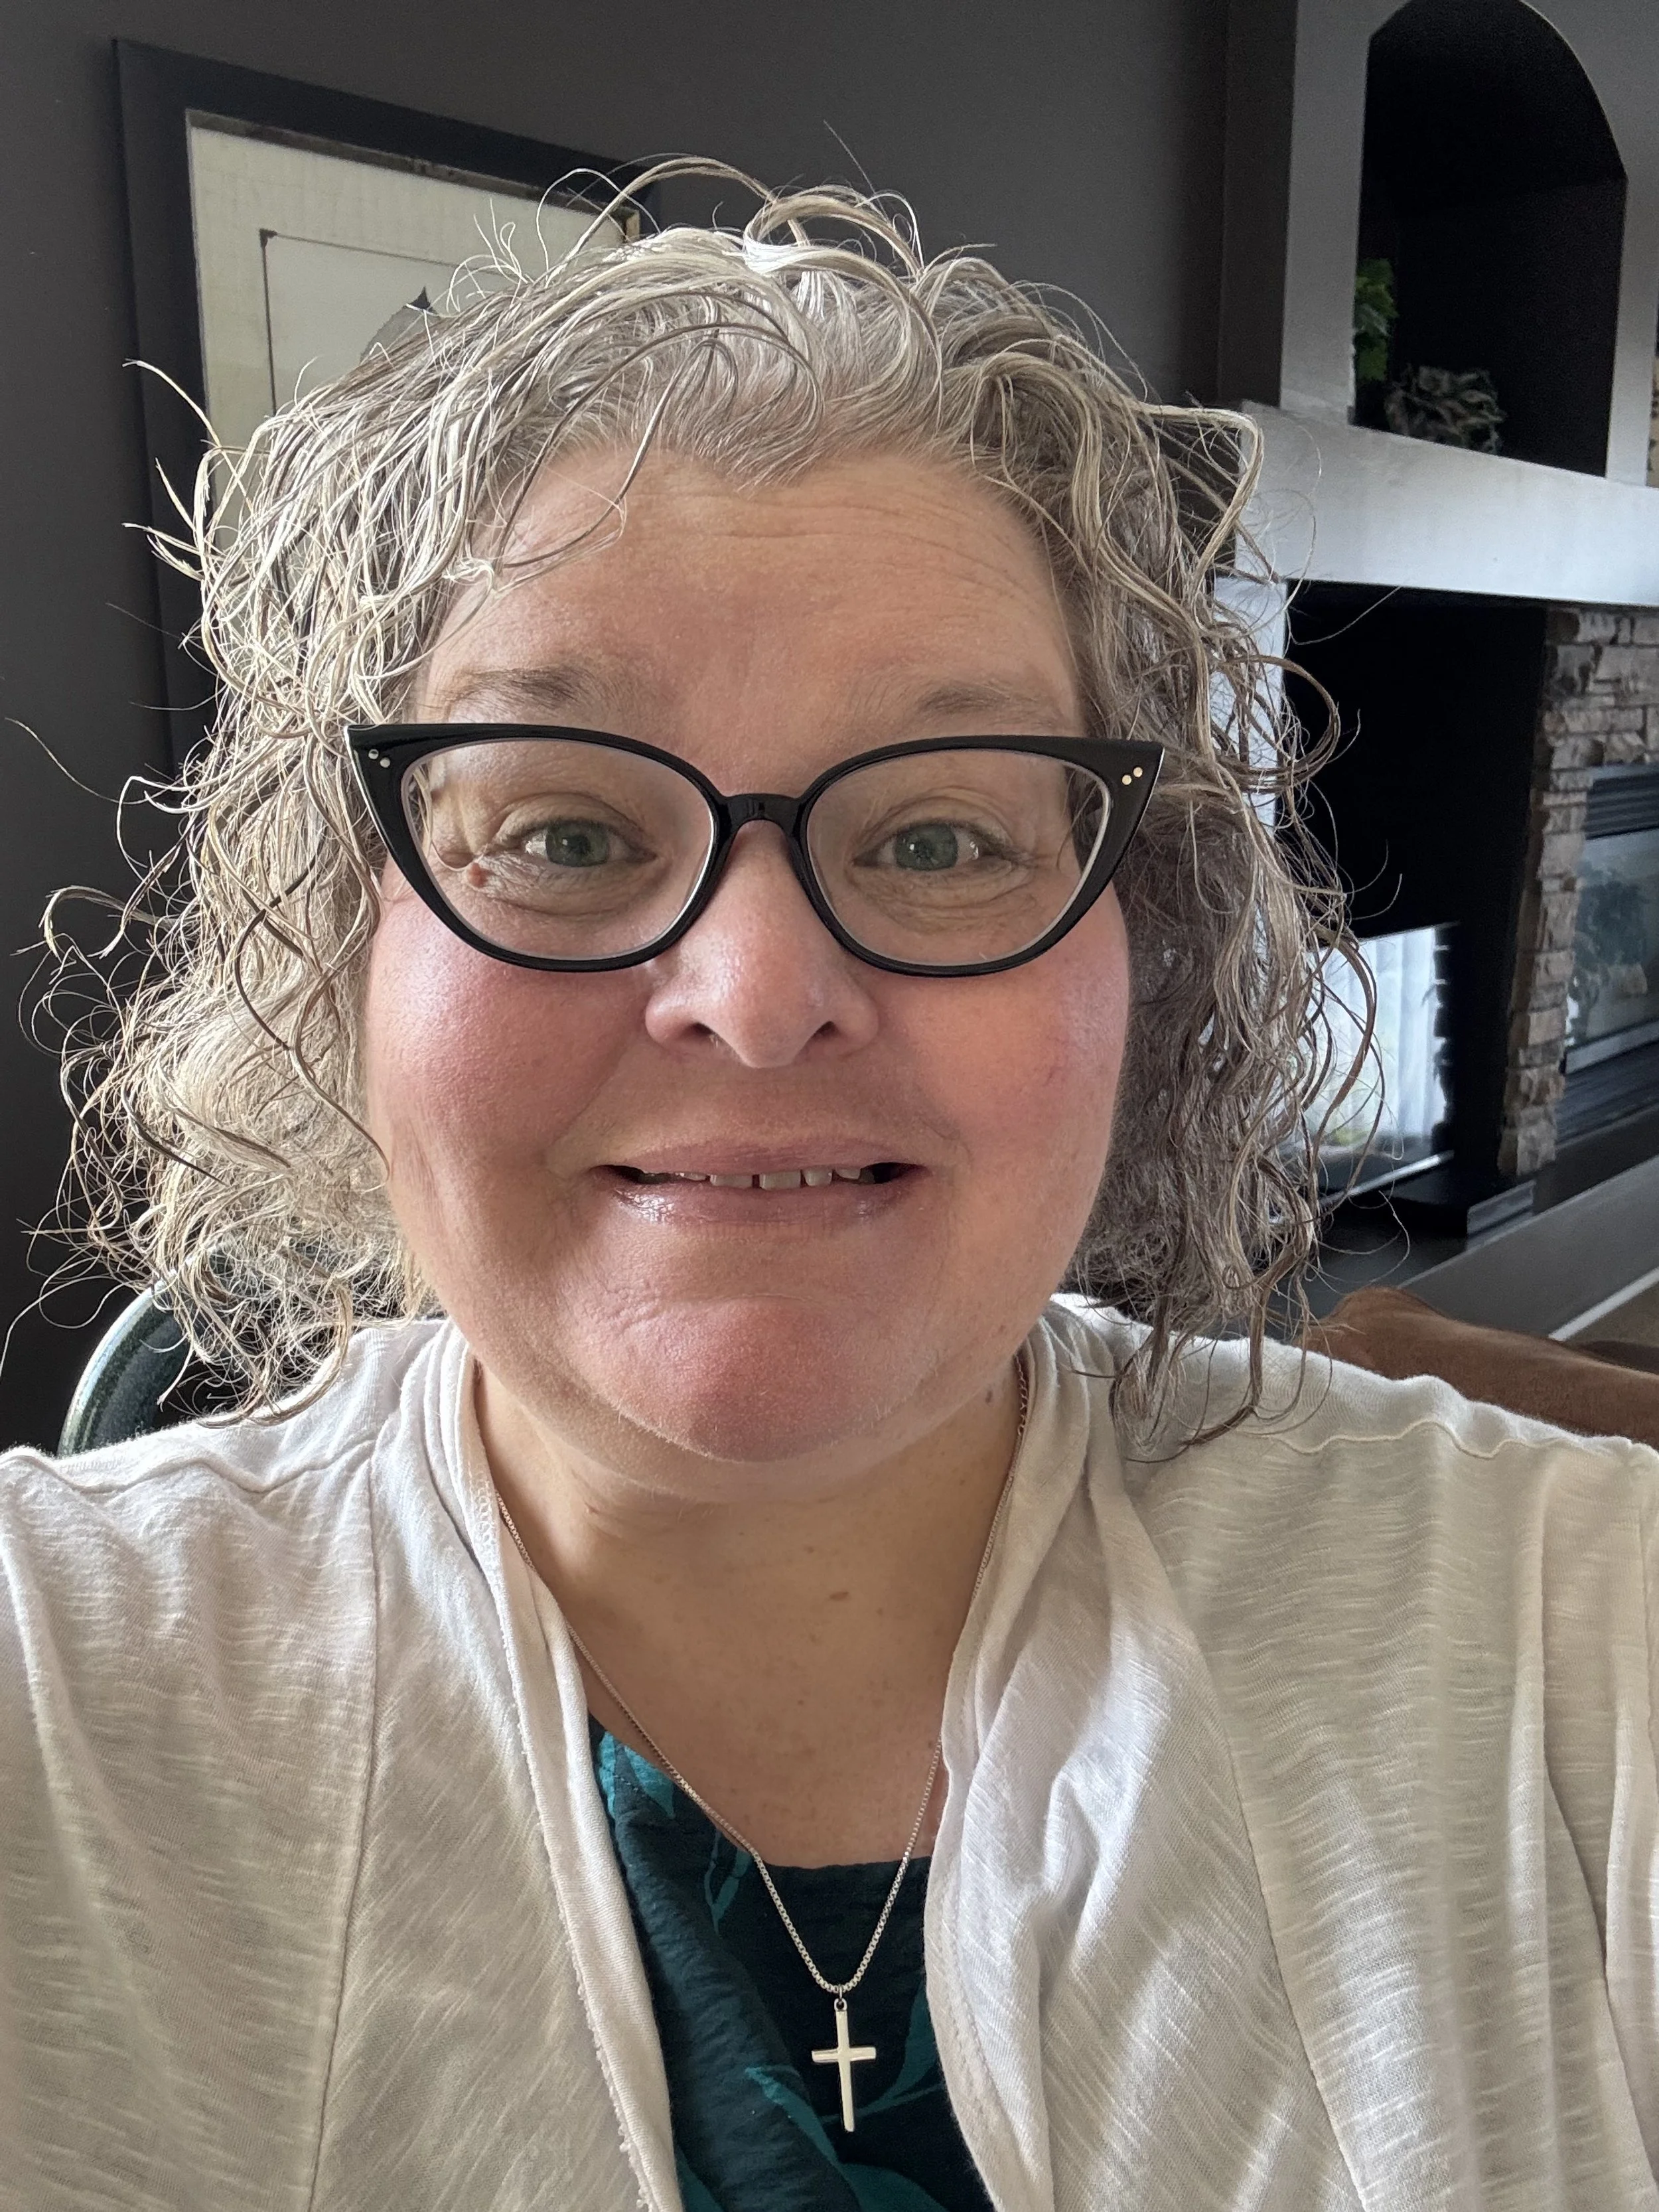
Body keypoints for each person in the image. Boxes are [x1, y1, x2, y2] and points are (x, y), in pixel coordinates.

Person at [3, 170, 1657, 2212]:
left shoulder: (1586, 1644)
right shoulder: (50, 1685)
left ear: (1138, 951)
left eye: (940, 838)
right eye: (566, 832)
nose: (759, 991)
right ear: (345, 943)